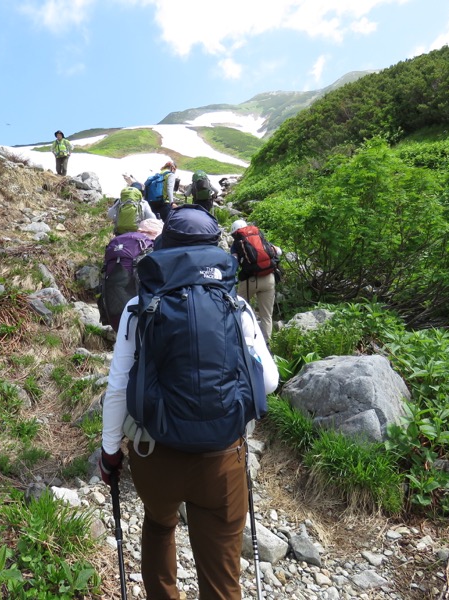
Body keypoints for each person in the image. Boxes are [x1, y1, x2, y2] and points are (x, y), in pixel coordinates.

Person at [100, 207, 279, 600]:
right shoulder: (236, 305)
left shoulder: (138, 306)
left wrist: (110, 452)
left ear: (165, 247)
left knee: (160, 526)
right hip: (221, 458)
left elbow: (116, 389)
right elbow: (269, 381)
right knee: (221, 573)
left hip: (155, 451)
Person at [230, 219, 283, 341]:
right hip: (269, 279)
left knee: (239, 309)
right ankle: (266, 343)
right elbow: (278, 251)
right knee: (266, 315)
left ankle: (242, 339)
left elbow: (234, 262)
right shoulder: (259, 238)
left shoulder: (237, 243)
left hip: (250, 281)